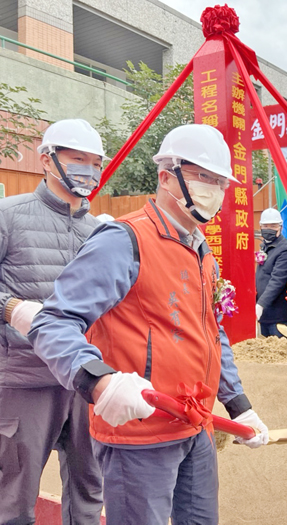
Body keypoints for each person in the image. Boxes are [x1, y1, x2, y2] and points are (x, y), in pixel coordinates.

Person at [29, 124, 269, 525]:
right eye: (202, 177)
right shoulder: (123, 240)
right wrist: (100, 380)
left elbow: (212, 332)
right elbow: (53, 321)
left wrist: (238, 405)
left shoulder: (200, 251)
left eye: (220, 182)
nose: (213, 190)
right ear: (166, 176)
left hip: (196, 426)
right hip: (140, 435)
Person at [0, 119, 105, 524]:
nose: (88, 171)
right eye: (78, 159)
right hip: (26, 379)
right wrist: (13, 308)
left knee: (89, 489)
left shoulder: (100, 233)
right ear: (47, 160)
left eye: (95, 163)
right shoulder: (10, 216)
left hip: (86, 378)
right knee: (15, 495)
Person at [255, 207, 287, 337]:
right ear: (260, 226)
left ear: (281, 227)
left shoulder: (285, 251)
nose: (269, 229)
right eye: (266, 226)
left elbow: (277, 281)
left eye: (273, 226)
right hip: (265, 315)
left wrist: (261, 304)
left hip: (277, 316)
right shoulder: (265, 246)